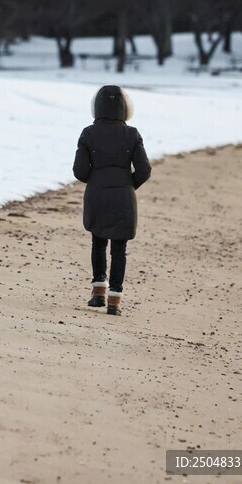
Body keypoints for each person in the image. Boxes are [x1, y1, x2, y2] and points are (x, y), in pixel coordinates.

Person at [72, 85, 151, 315]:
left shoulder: (88, 133)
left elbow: (79, 171)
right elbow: (144, 170)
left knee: (98, 241)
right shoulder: (132, 134)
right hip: (124, 195)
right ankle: (115, 301)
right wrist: (128, 185)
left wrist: (96, 181)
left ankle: (98, 293)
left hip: (97, 193)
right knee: (119, 247)